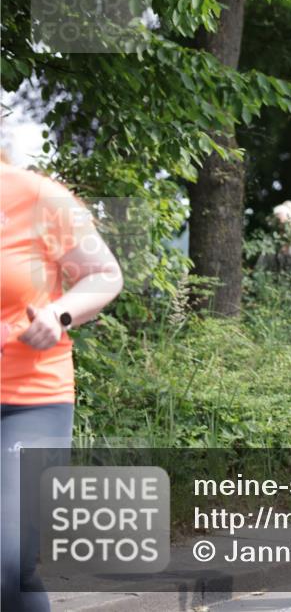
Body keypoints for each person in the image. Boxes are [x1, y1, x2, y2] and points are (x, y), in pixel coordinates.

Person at [1, 154, 124, 611]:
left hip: (29, 399)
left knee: (8, 558)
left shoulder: (38, 197)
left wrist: (57, 313)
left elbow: (104, 274)